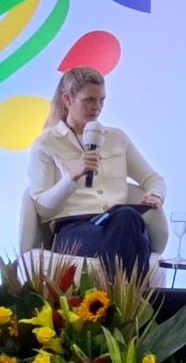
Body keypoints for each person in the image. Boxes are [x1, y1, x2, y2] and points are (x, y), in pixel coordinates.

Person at [28, 66, 166, 276]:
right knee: (134, 239)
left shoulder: (116, 138)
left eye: (102, 100)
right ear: (67, 100)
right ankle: (130, 296)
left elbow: (153, 179)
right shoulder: (46, 143)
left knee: (127, 217)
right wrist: (72, 176)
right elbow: (42, 208)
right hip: (75, 229)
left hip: (120, 221)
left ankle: (111, 295)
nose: (97, 108)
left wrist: (155, 195)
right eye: (89, 100)